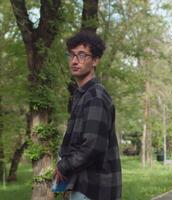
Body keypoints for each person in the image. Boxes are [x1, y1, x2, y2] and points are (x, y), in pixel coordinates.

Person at [54, 31, 122, 200]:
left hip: (93, 190)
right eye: (71, 55)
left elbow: (92, 148)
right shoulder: (84, 95)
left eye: (82, 55)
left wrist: (63, 166)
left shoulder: (95, 97)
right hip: (84, 187)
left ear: (95, 60)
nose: (75, 60)